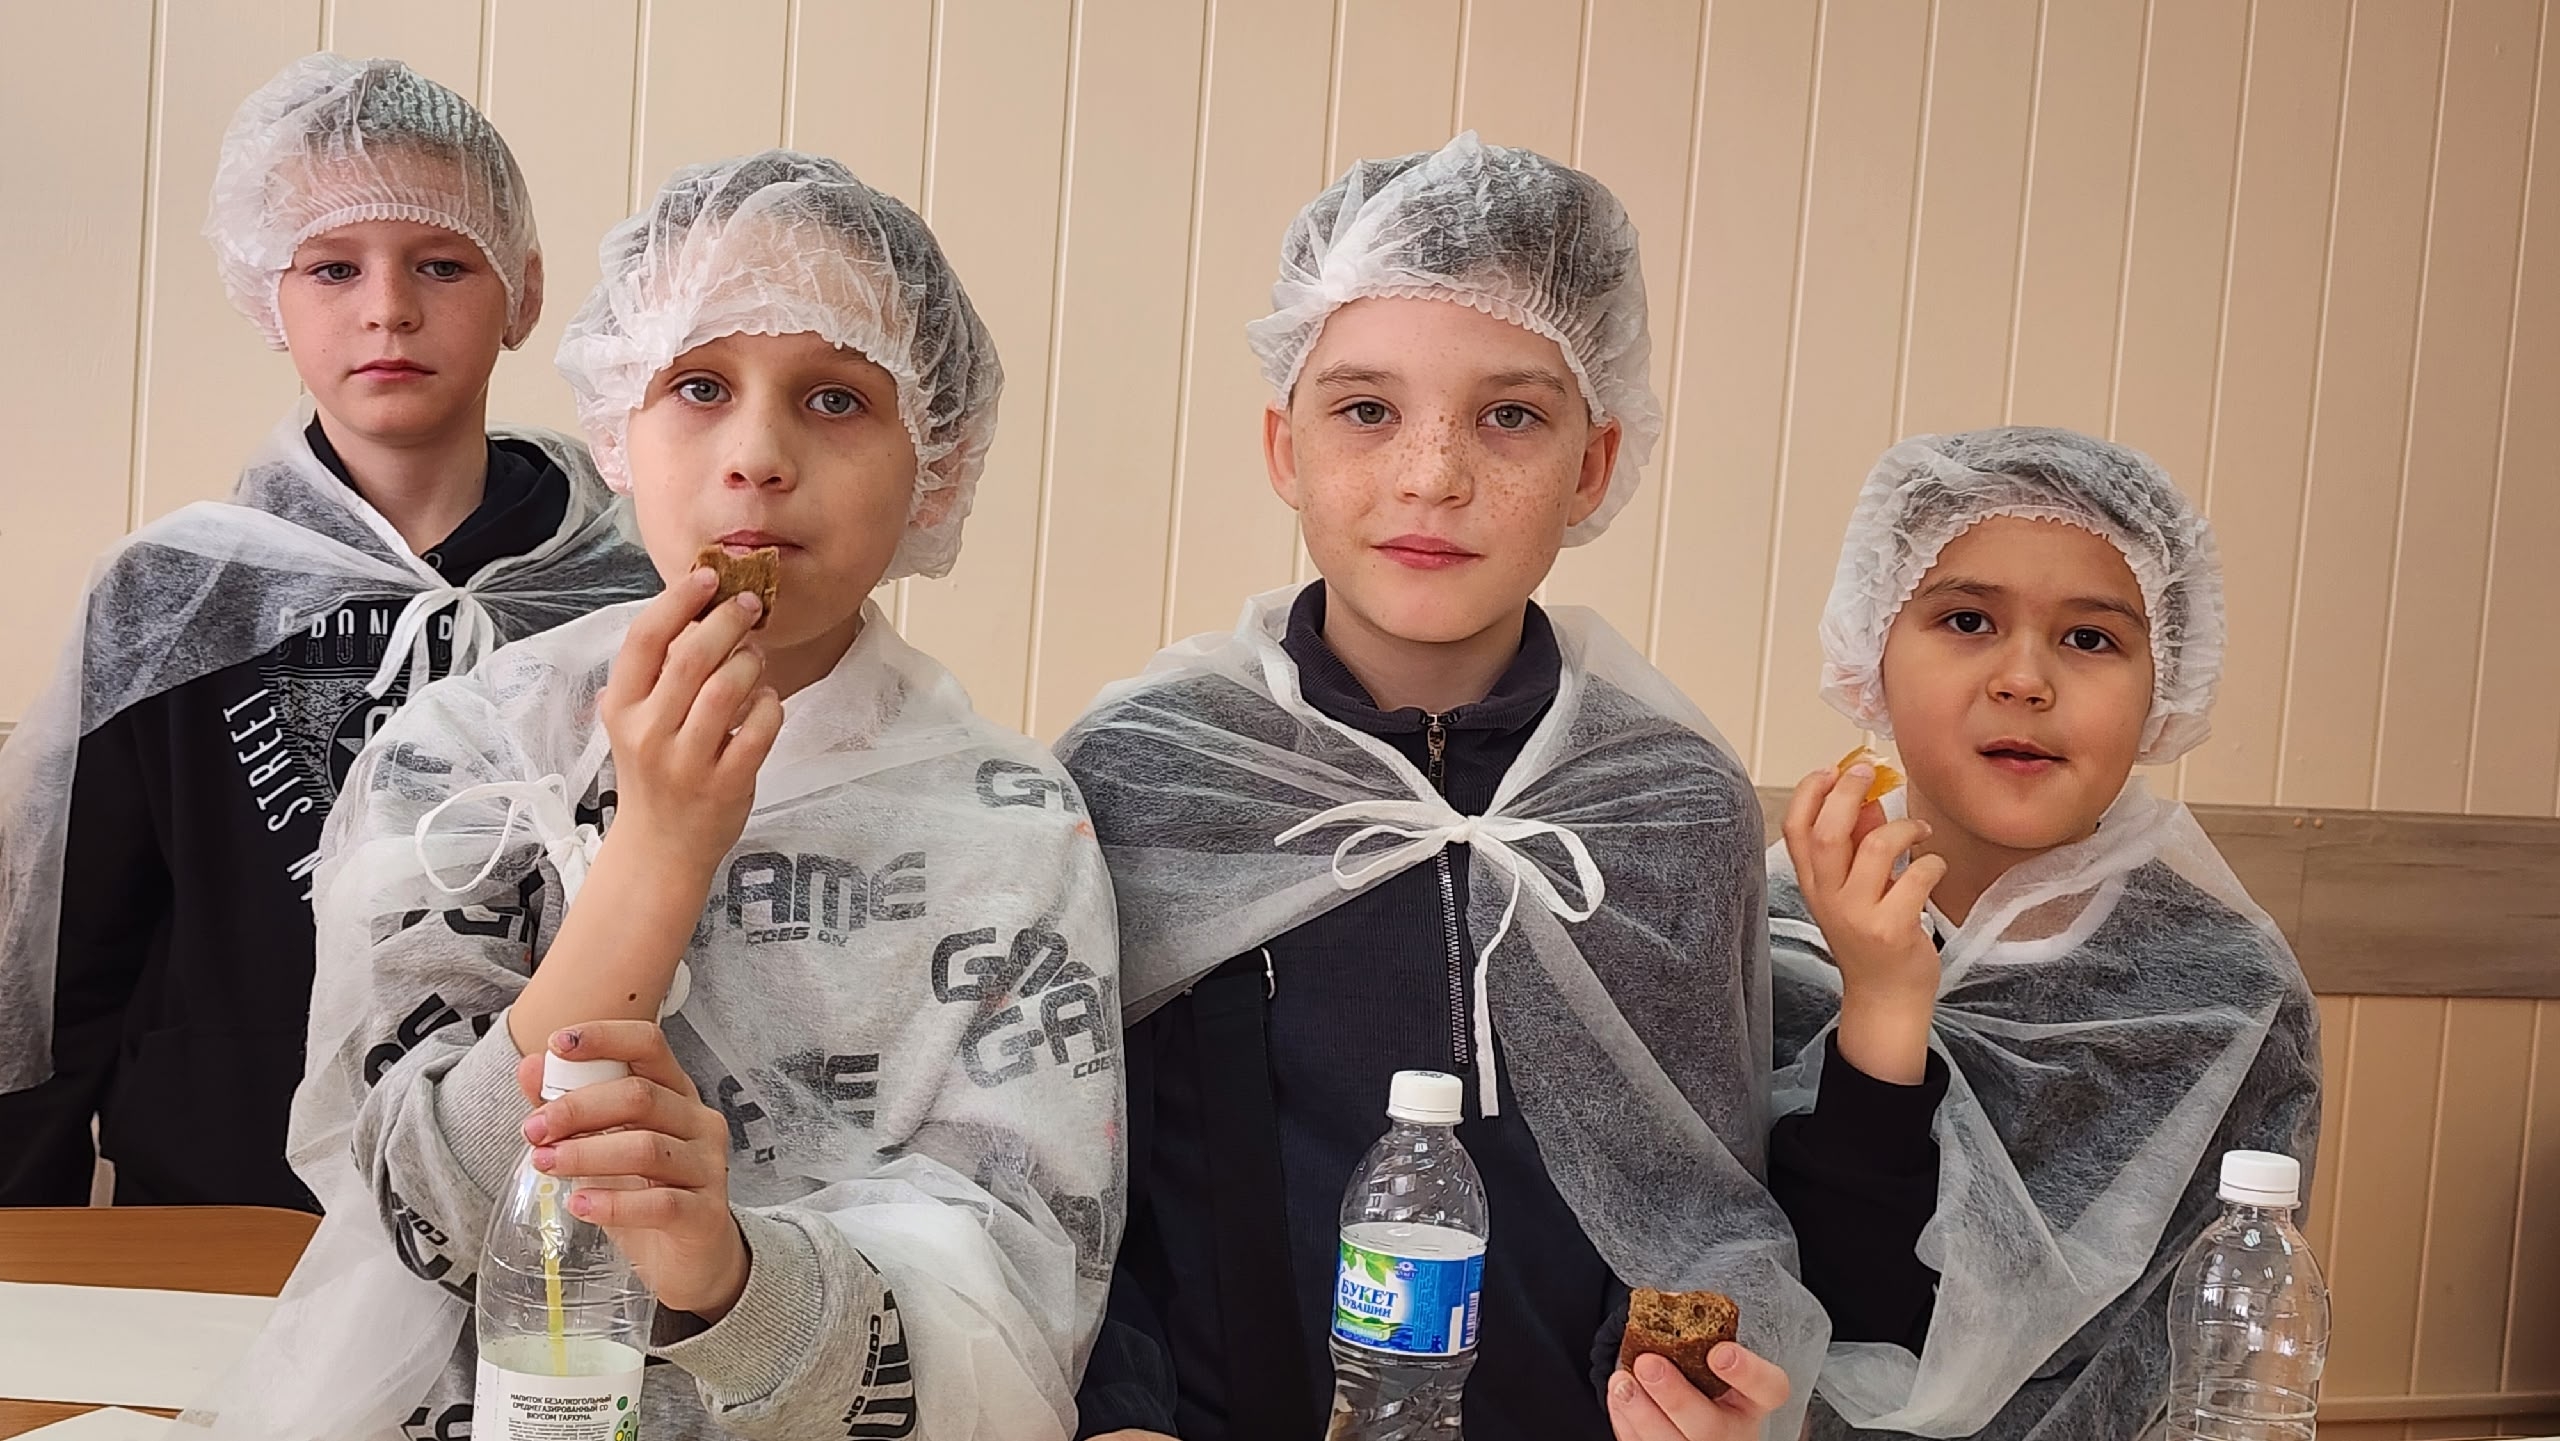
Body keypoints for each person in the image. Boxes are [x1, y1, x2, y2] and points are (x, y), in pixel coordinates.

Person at [185, 150, 1122, 1441]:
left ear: (937, 464)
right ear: (617, 426)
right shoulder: (466, 751)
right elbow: (424, 1213)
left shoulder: (1013, 826)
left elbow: (1014, 1314)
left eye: (837, 398)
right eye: (699, 386)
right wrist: (660, 852)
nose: (758, 456)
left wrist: (726, 1270)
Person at [1060, 132, 1819, 1441]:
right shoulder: (1147, 772)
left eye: (1509, 416)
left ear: (1592, 465)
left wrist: (1697, 1388)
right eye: (1366, 410)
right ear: (1283, 446)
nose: (1432, 475)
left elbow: (1696, 1196)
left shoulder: (1668, 804)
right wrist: (1119, 1412)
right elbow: (1071, 1180)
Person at [0, 53, 656, 1208]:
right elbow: (60, 958)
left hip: (543, 1204)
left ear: (523, 292)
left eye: (442, 263)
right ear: (270, 294)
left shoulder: (630, 587)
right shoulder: (174, 594)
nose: (387, 307)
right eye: (333, 266)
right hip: (221, 1206)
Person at [1765, 427, 2321, 1439]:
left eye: (2090, 638)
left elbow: (2203, 1360)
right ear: (1870, 654)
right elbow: (1814, 1334)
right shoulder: (1762, 940)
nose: (2024, 679)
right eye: (1967, 619)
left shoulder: (2227, 992)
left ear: (2163, 686)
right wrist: (1881, 1003)